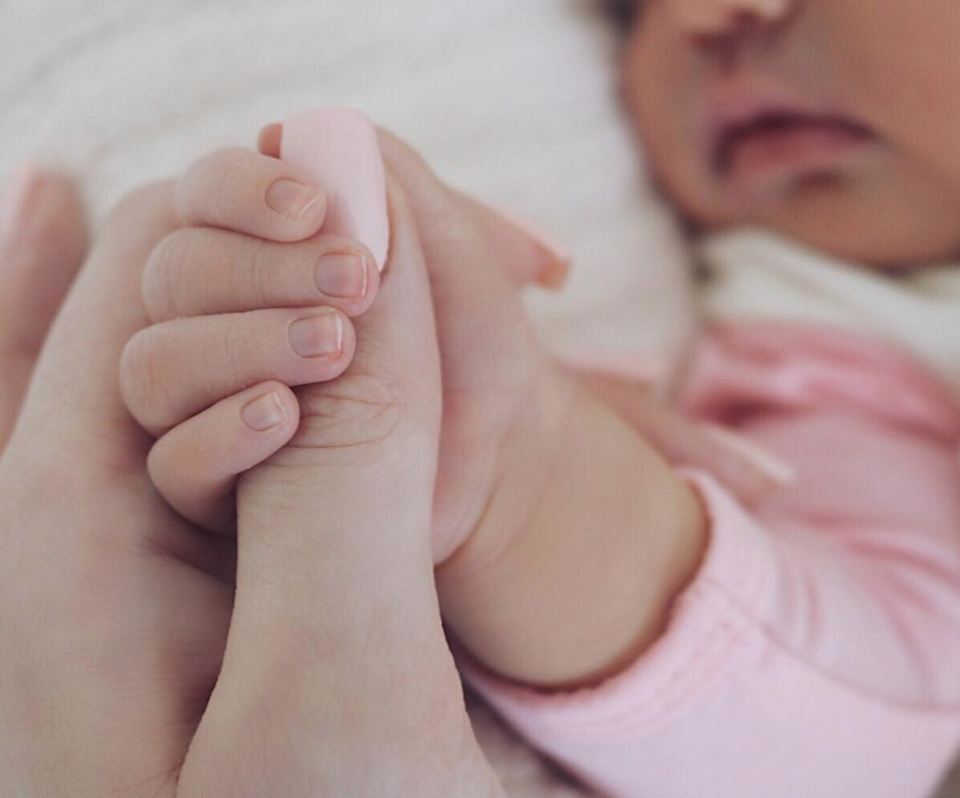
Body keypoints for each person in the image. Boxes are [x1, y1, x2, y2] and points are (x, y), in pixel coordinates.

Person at [7, 0, 960, 795]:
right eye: (640, 6)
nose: (707, 17)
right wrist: (519, 476)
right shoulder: (828, 333)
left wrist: (523, 474)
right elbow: (863, 713)